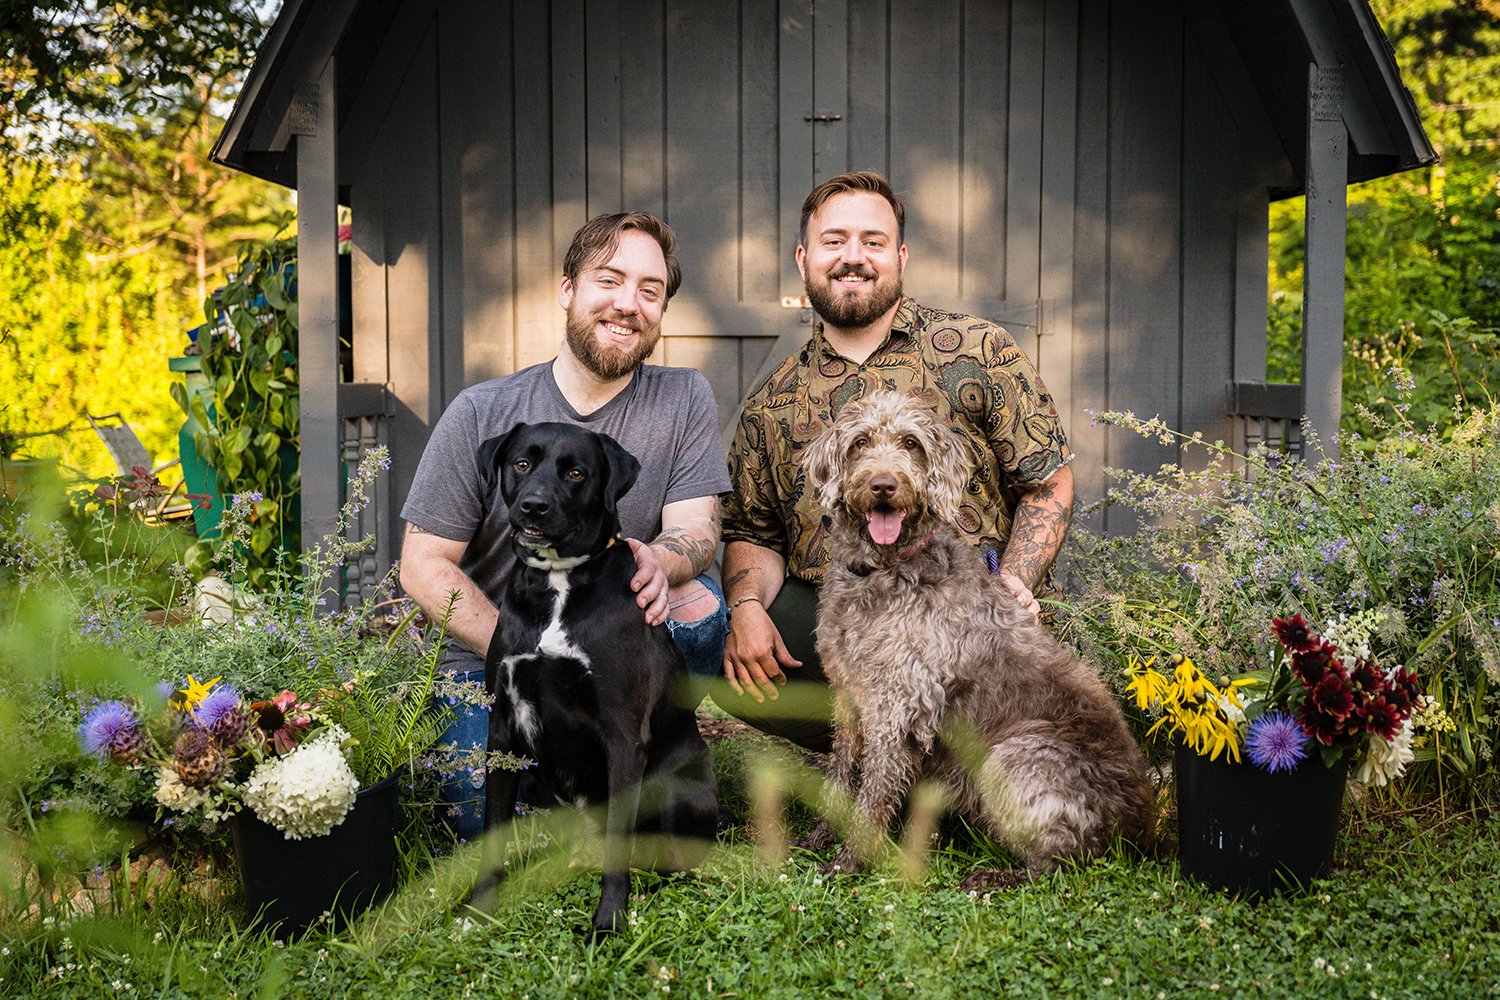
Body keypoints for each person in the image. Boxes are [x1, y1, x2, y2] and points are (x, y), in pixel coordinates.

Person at [399, 212, 731, 839]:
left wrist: (662, 560)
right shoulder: (485, 411)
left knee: (697, 606)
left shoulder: (682, 397)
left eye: (649, 290)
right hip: (491, 653)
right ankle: (572, 794)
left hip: (605, 641)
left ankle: (641, 756)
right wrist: (527, 650)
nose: (627, 304)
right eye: (610, 280)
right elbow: (422, 564)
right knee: (475, 815)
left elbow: (698, 530)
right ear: (567, 289)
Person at [718, 170, 1075, 750]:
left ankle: (948, 753)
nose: (852, 257)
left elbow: (1048, 482)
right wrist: (747, 605)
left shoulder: (978, 350)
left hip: (965, 616)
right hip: (847, 616)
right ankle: (881, 754)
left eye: (873, 241)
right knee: (716, 635)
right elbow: (751, 530)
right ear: (804, 258)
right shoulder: (772, 402)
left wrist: (1015, 581)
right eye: (834, 241)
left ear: (901, 257)